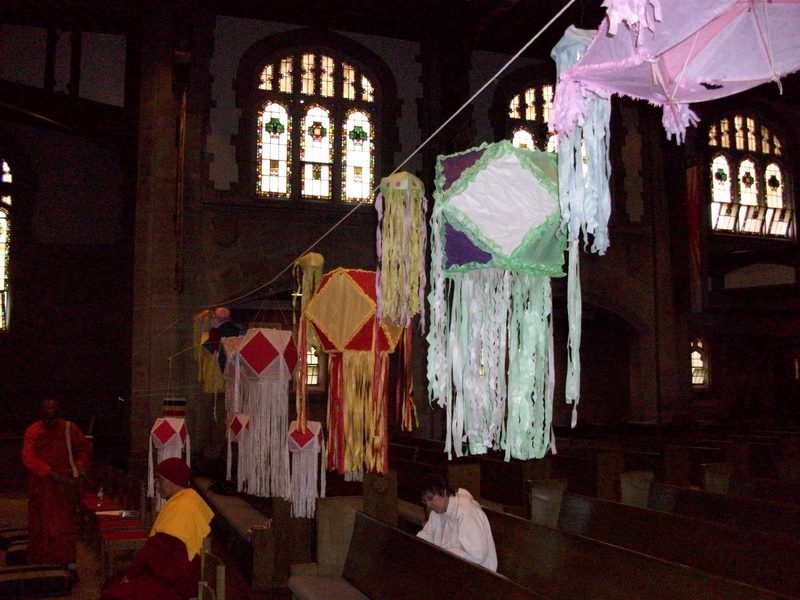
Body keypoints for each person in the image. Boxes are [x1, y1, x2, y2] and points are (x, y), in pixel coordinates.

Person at [101, 457, 214, 600]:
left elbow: (157, 550)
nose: (156, 483)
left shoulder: (182, 507)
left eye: (159, 479)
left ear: (172, 480)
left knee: (113, 593)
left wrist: (132, 574)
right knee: (114, 582)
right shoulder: (190, 498)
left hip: (176, 583)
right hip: (177, 574)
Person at [22, 397, 91, 573]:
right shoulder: (33, 431)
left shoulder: (69, 428)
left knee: (64, 528)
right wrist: (47, 472)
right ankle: (40, 566)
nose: (50, 420)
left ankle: (66, 564)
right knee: (40, 527)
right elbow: (28, 457)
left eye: (53, 416)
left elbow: (83, 448)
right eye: (46, 416)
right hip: (41, 487)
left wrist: (80, 465)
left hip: (63, 487)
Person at [417, 472, 498, 571]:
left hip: (478, 574)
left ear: (444, 491)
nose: (428, 505)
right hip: (452, 568)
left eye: (430, 498)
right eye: (425, 501)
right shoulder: (437, 512)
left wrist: (442, 554)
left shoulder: (467, 511)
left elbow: (478, 554)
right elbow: (425, 537)